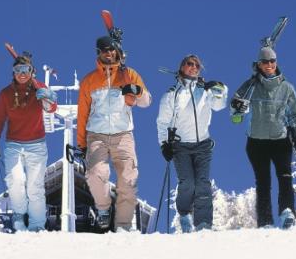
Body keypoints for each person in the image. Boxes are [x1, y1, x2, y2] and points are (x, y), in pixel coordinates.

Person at [77, 35, 151, 232]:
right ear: (98, 53)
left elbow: (146, 102)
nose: (108, 53)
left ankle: (123, 226)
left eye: (111, 49)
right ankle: (103, 208)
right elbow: (82, 114)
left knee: (128, 179)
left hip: (123, 134)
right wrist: (81, 144)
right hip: (96, 135)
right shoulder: (89, 81)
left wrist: (137, 91)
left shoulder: (129, 74)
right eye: (104, 50)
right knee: (95, 174)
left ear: (117, 51)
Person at [231, 45, 296, 229]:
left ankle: (287, 213)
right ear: (259, 64)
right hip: (257, 141)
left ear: (276, 63)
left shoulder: (286, 87)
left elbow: (295, 113)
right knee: (263, 181)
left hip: (281, 140)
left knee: (285, 177)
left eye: (272, 61)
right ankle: (265, 221)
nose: (269, 64)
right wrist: (239, 108)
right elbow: (236, 110)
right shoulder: (251, 85)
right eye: (265, 61)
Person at [0, 52, 58, 232]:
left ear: (32, 71)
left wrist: (48, 97)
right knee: (16, 180)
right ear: (13, 72)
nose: (22, 73)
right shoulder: (5, 94)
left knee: (35, 186)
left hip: (37, 145)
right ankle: (19, 216)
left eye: (25, 69)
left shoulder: (38, 87)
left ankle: (37, 224)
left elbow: (51, 108)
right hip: (14, 145)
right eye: (18, 70)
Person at [156, 54, 227, 232]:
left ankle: (203, 224)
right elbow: (162, 122)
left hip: (203, 144)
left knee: (202, 183)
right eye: (190, 64)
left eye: (197, 65)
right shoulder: (172, 94)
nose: (194, 67)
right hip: (181, 146)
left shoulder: (205, 91)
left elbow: (219, 105)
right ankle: (185, 214)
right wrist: (164, 144)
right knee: (188, 183)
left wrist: (220, 89)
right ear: (182, 67)